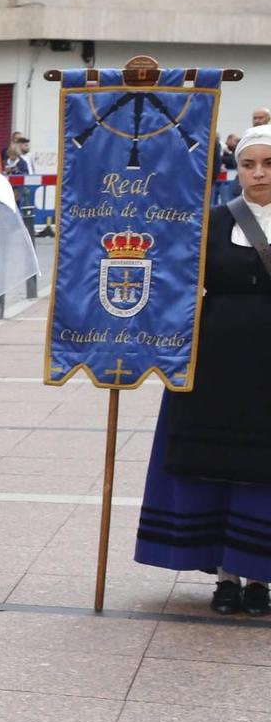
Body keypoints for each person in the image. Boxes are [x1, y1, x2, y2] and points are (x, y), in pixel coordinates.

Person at [135, 124, 271, 614]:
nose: (257, 174)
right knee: (215, 467)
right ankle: (226, 577)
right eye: (249, 164)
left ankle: (261, 578)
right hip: (214, 362)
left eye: (268, 164)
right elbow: (175, 285)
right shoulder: (211, 220)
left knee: (263, 471)